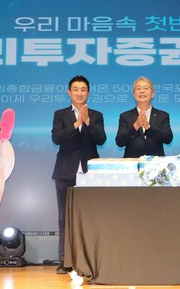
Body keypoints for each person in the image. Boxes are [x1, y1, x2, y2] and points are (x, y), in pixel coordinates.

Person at [51, 75, 106, 274]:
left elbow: (101, 139)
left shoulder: (97, 115)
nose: (79, 93)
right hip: (65, 172)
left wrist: (88, 122)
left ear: (88, 92)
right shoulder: (60, 114)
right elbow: (57, 137)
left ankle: (90, 262)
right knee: (64, 218)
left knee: (90, 218)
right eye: (76, 89)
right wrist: (76, 124)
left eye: (83, 89)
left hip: (90, 174)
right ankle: (65, 262)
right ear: (69, 92)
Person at [115, 76, 173, 157]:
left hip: (156, 164)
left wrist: (149, 129)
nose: (142, 91)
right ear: (134, 95)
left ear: (152, 94)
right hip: (132, 164)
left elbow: (168, 139)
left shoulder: (162, 115)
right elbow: (119, 142)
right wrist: (136, 126)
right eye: (138, 88)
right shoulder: (125, 116)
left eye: (146, 88)